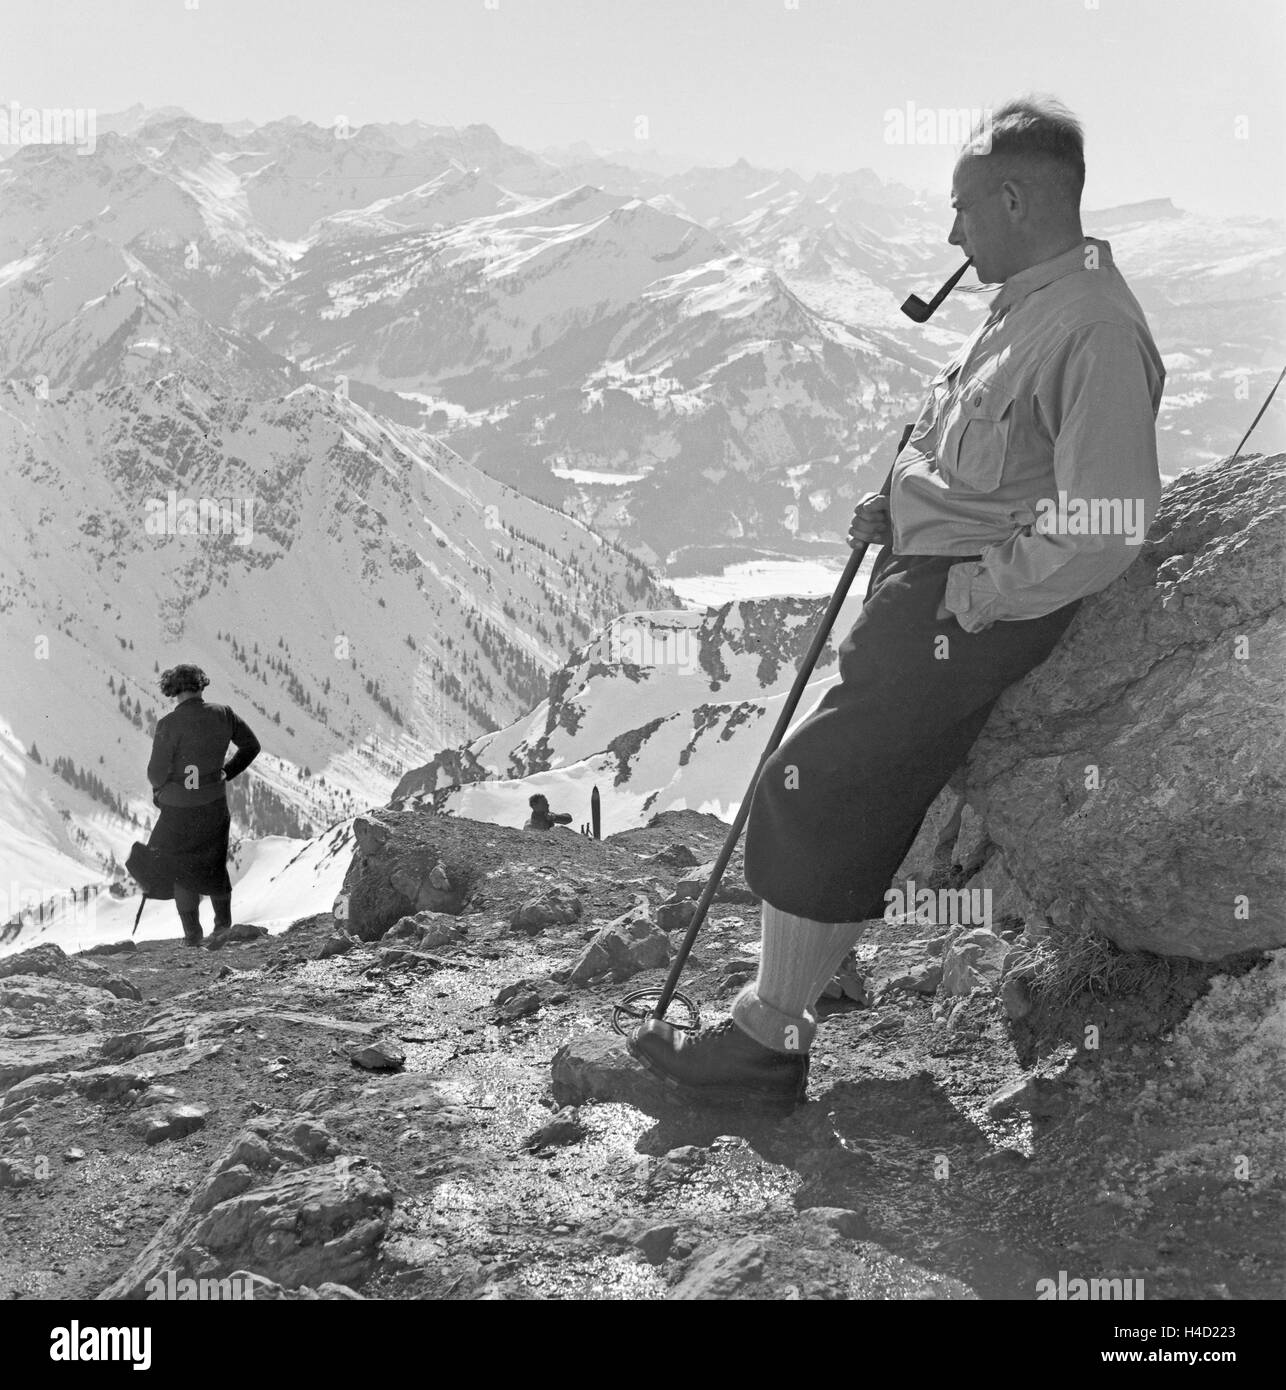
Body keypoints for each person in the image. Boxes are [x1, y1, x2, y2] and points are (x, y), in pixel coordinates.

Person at [629, 96, 1165, 1109]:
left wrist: (970, 595)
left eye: (961, 208)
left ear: (1015, 198)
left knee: (807, 784)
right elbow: (987, 455)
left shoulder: (1089, 324)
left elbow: (1104, 520)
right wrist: (900, 503)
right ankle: (782, 1011)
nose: (950, 233)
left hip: (961, 611)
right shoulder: (1034, 298)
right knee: (851, 797)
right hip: (926, 588)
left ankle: (763, 1039)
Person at [145, 664, 261, 945]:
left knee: (182, 871)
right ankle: (223, 928)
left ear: (172, 690)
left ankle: (192, 935)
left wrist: (160, 792)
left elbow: (156, 772)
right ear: (201, 685)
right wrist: (227, 771)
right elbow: (251, 746)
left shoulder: (168, 724)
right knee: (214, 864)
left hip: (178, 808)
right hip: (214, 803)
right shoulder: (224, 714)